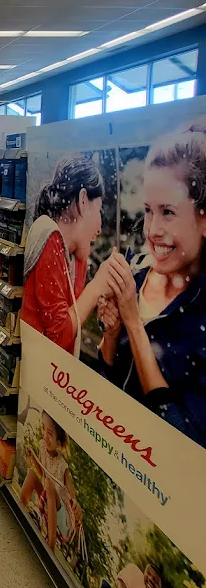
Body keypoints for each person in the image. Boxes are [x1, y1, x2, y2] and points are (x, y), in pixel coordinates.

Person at [100, 123, 206, 447]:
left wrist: (133, 322)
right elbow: (106, 382)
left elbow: (182, 437)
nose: (152, 230)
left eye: (168, 212)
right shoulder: (138, 273)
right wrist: (111, 333)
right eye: (148, 211)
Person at [22, 155, 110, 355]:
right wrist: (96, 287)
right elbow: (60, 335)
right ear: (83, 201)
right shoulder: (49, 236)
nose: (99, 228)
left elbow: (74, 314)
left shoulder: (71, 255)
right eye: (99, 210)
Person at [19, 410, 83, 551]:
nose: (45, 436)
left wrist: (77, 508)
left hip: (63, 520)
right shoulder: (42, 446)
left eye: (50, 433)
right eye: (43, 428)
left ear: (58, 443)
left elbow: (72, 496)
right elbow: (42, 473)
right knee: (32, 474)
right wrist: (33, 458)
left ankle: (51, 545)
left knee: (49, 484)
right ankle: (20, 508)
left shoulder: (63, 466)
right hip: (49, 501)